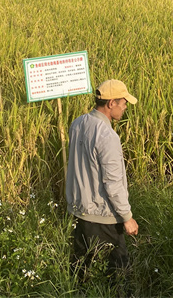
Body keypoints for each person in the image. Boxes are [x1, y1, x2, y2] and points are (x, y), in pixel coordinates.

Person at [66, 79, 140, 285]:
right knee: (118, 276)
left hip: (79, 211)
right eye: (123, 103)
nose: (125, 107)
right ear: (111, 104)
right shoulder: (107, 136)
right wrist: (127, 217)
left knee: (81, 271)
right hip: (102, 216)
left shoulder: (78, 123)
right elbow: (112, 182)